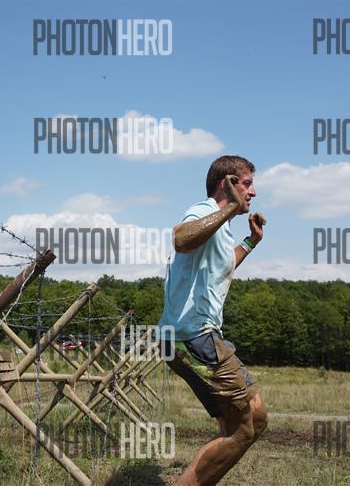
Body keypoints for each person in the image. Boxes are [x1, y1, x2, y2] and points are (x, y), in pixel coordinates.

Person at [158, 155, 268, 485]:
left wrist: (250, 242)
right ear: (228, 184)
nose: (253, 192)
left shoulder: (220, 226)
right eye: (246, 184)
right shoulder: (204, 211)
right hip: (193, 336)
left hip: (195, 338)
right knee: (240, 430)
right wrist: (230, 208)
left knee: (256, 416)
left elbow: (224, 266)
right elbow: (181, 239)